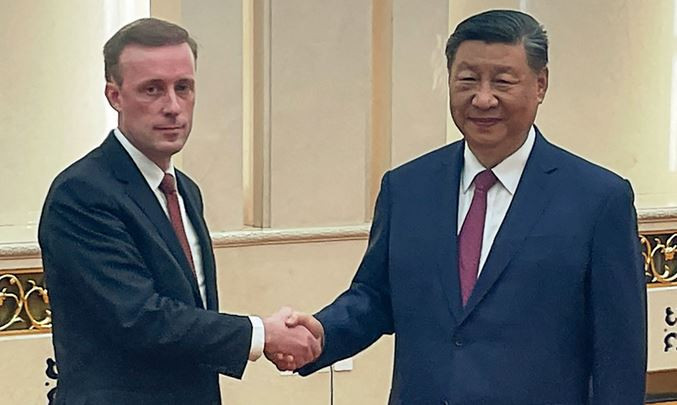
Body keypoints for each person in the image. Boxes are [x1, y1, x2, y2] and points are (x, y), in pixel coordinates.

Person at [289, 9, 647, 404]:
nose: (483, 98)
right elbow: (375, 296)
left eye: (502, 81)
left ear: (540, 84)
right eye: (468, 80)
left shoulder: (598, 199)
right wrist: (322, 333)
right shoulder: (406, 187)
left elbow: (619, 354)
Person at [38, 18, 319, 404]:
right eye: (152, 89)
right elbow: (139, 318)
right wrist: (261, 335)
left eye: (183, 87)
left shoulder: (185, 191)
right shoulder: (81, 194)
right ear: (114, 96)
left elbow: (189, 314)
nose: (172, 106)